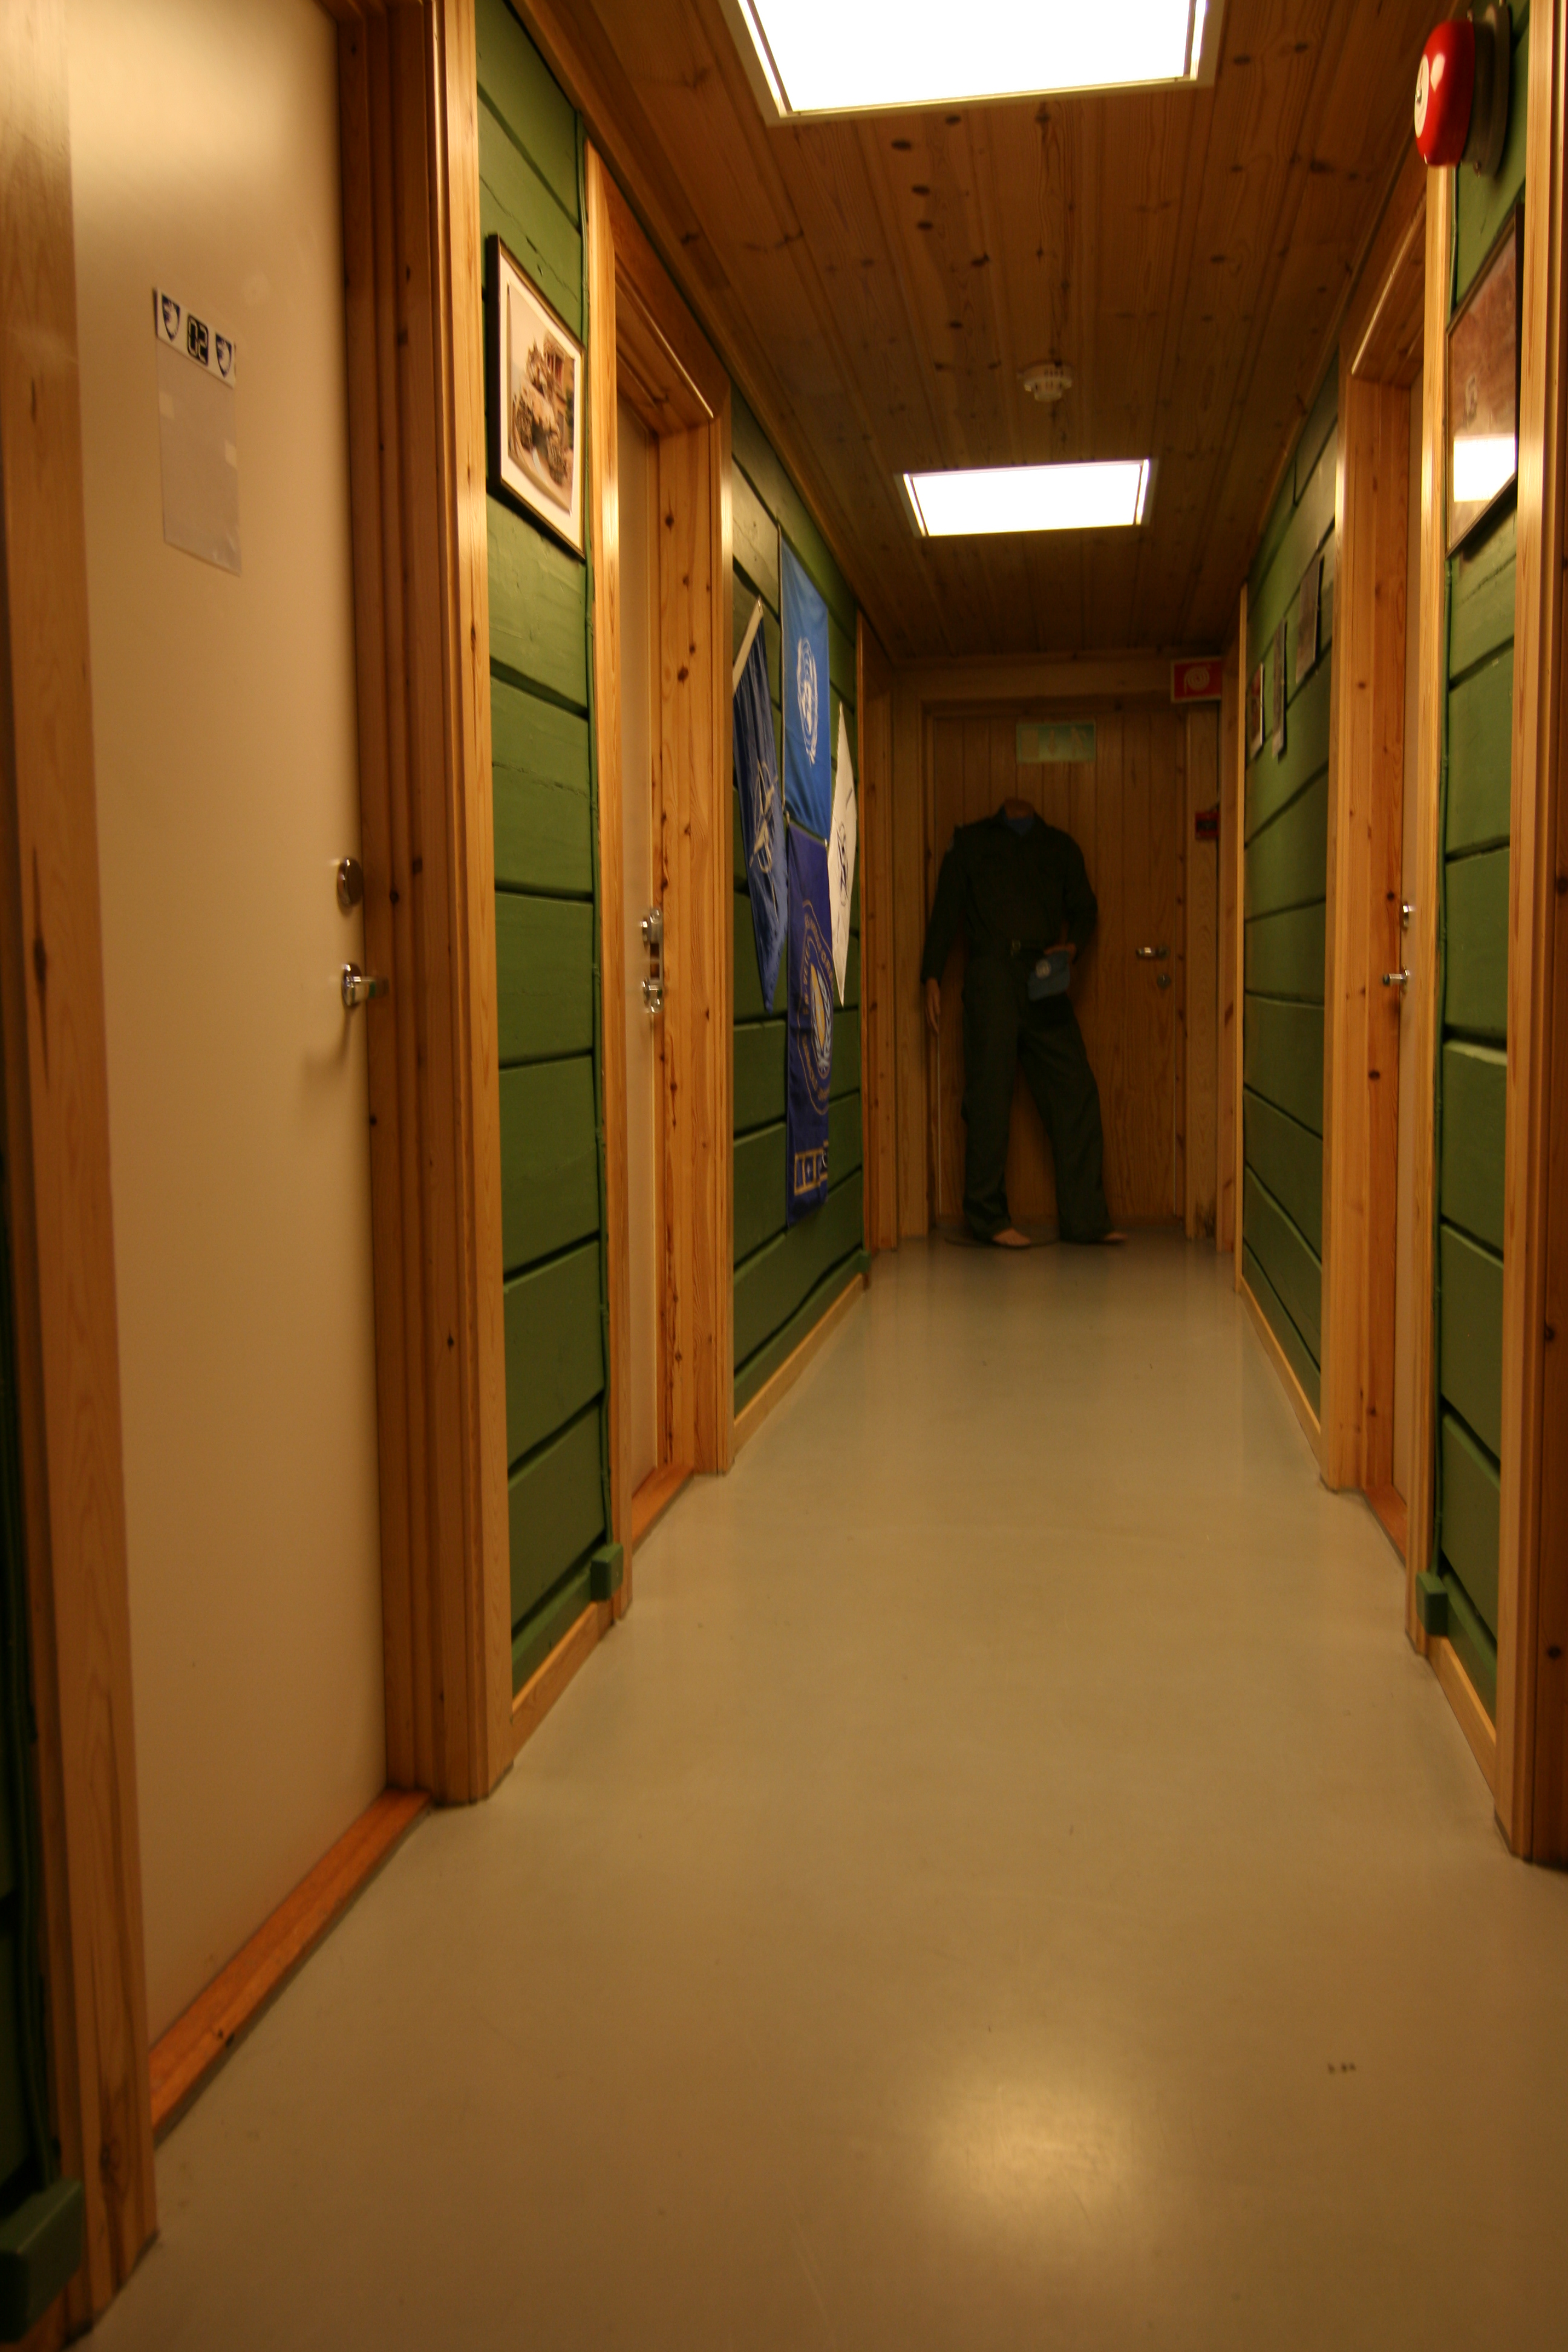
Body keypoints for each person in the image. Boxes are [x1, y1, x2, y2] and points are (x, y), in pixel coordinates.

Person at [921, 797, 1124, 1249]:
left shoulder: (1060, 847)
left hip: (1044, 972)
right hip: (991, 972)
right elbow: (946, 910)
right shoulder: (970, 842)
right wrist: (931, 974)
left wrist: (1072, 949)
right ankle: (988, 1218)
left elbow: (1086, 908)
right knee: (988, 1094)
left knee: (1075, 1089)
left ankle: (1087, 1220)